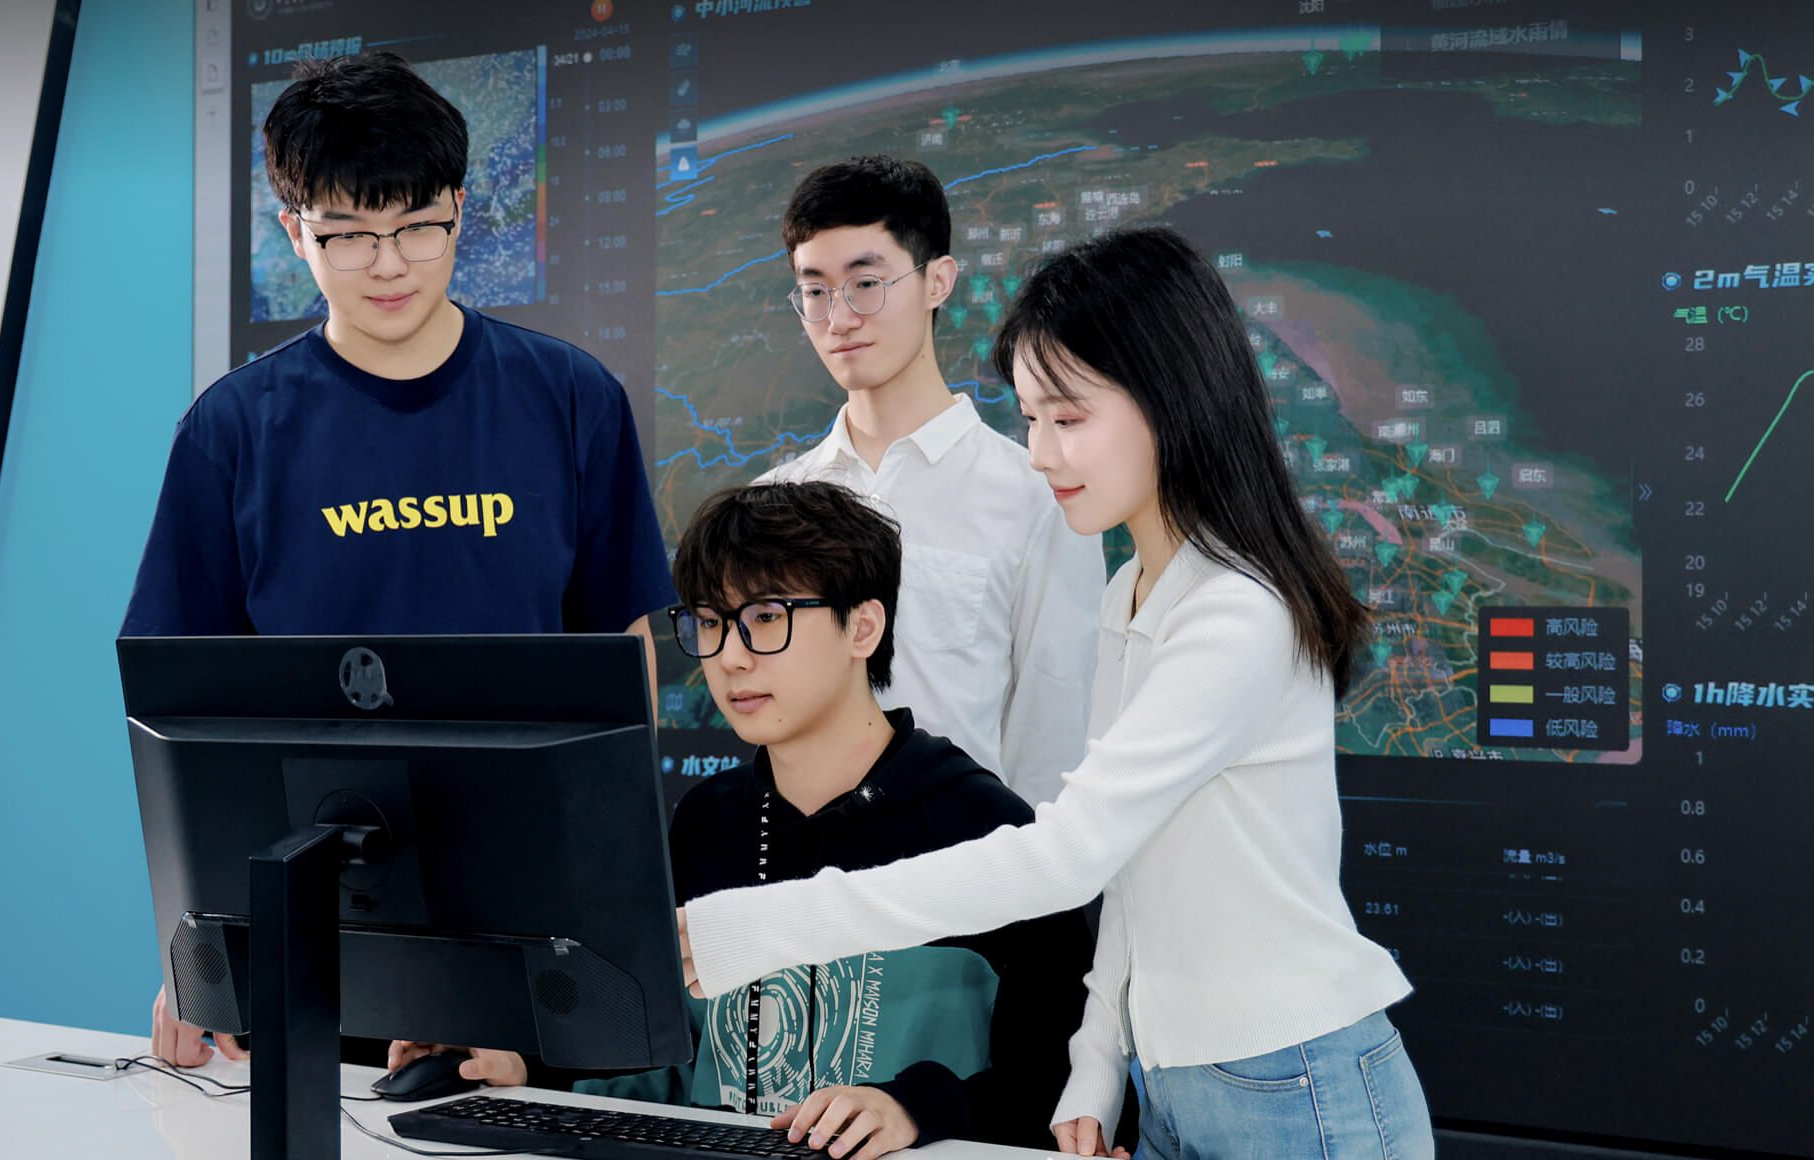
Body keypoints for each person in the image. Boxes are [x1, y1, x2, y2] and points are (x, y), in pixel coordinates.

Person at [679, 227, 1430, 1159]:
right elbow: (1130, 872)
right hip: (1179, 1080)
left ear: (1172, 403)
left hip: (1298, 1083)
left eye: (1067, 419)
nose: (1039, 454)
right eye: (1031, 419)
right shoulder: (1132, 593)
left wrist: (760, 926)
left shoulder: (1239, 613)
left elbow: (1067, 857)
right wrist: (1098, 1063)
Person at [124, 51, 674, 1066]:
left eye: (418, 226)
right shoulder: (230, 431)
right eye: (348, 234)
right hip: (312, 936)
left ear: (460, 209)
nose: (388, 264)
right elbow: (181, 719)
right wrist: (202, 946)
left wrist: (609, 915)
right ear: (295, 229)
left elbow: (626, 663)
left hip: (537, 939)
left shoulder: (570, 399)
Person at [396, 481, 1093, 1158]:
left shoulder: (987, 829)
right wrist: (521, 1064)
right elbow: (669, 1060)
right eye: (709, 622)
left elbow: (1063, 1089)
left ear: (863, 626)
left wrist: (915, 1107)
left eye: (766, 617)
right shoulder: (707, 821)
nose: (730, 657)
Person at [754, 156, 1103, 806]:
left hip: (972, 861)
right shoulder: (772, 505)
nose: (838, 319)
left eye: (865, 283)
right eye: (815, 291)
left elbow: (1054, 741)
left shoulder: (1035, 496)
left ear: (937, 281)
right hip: (804, 862)